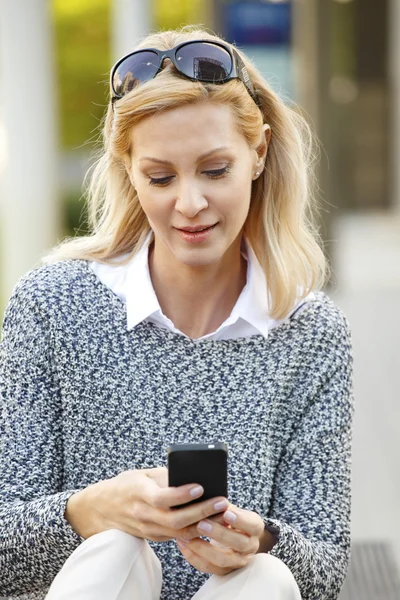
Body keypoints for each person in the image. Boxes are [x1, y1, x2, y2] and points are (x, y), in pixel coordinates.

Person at [0, 26, 354, 600]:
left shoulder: (311, 332)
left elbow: (323, 570)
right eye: (160, 177)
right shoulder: (51, 305)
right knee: (115, 546)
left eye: (215, 170)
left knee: (266, 578)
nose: (189, 204)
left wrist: (260, 538)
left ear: (258, 152)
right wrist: (90, 510)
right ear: (129, 168)